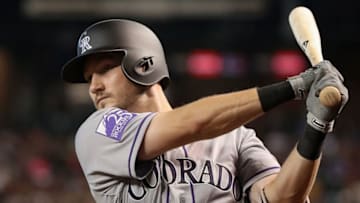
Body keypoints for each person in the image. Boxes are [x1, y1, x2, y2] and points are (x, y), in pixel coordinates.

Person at [61, 19, 348, 203]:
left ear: (144, 64)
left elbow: (282, 198)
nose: (94, 87)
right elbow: (191, 125)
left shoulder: (235, 138)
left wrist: (317, 125)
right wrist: (294, 86)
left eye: (105, 69)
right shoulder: (98, 130)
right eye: (89, 79)